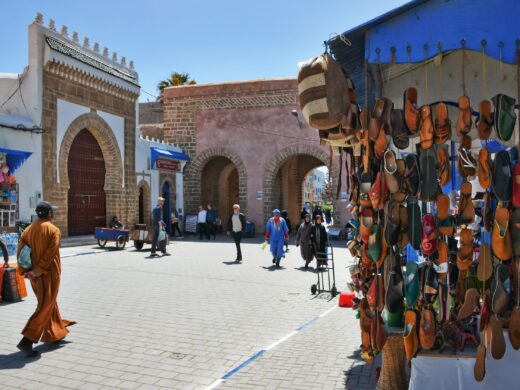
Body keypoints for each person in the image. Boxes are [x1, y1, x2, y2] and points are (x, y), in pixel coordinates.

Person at [16, 201, 75, 357]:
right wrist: (37, 271)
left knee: (49, 302)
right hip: (47, 274)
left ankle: (55, 333)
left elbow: (21, 252)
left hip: (33, 275)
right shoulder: (53, 230)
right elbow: (50, 254)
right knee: (45, 305)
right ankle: (27, 340)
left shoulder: (28, 230)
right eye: (52, 212)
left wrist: (25, 271)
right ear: (49, 214)